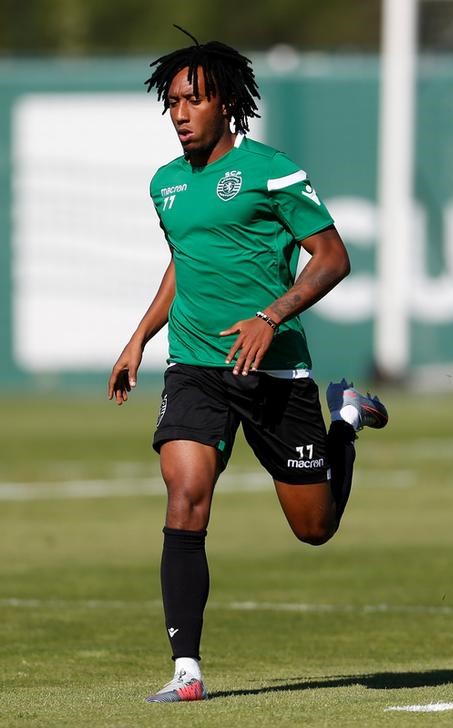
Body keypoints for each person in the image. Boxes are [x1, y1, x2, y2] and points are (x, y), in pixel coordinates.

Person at [108, 26, 388, 703]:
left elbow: (332, 258)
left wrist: (271, 316)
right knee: (185, 495)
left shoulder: (273, 172)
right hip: (196, 368)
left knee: (312, 528)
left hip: (274, 374)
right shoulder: (165, 185)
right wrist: (140, 336)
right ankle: (186, 671)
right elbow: (185, 262)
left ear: (227, 103)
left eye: (193, 100)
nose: (179, 113)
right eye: (172, 102)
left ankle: (344, 421)